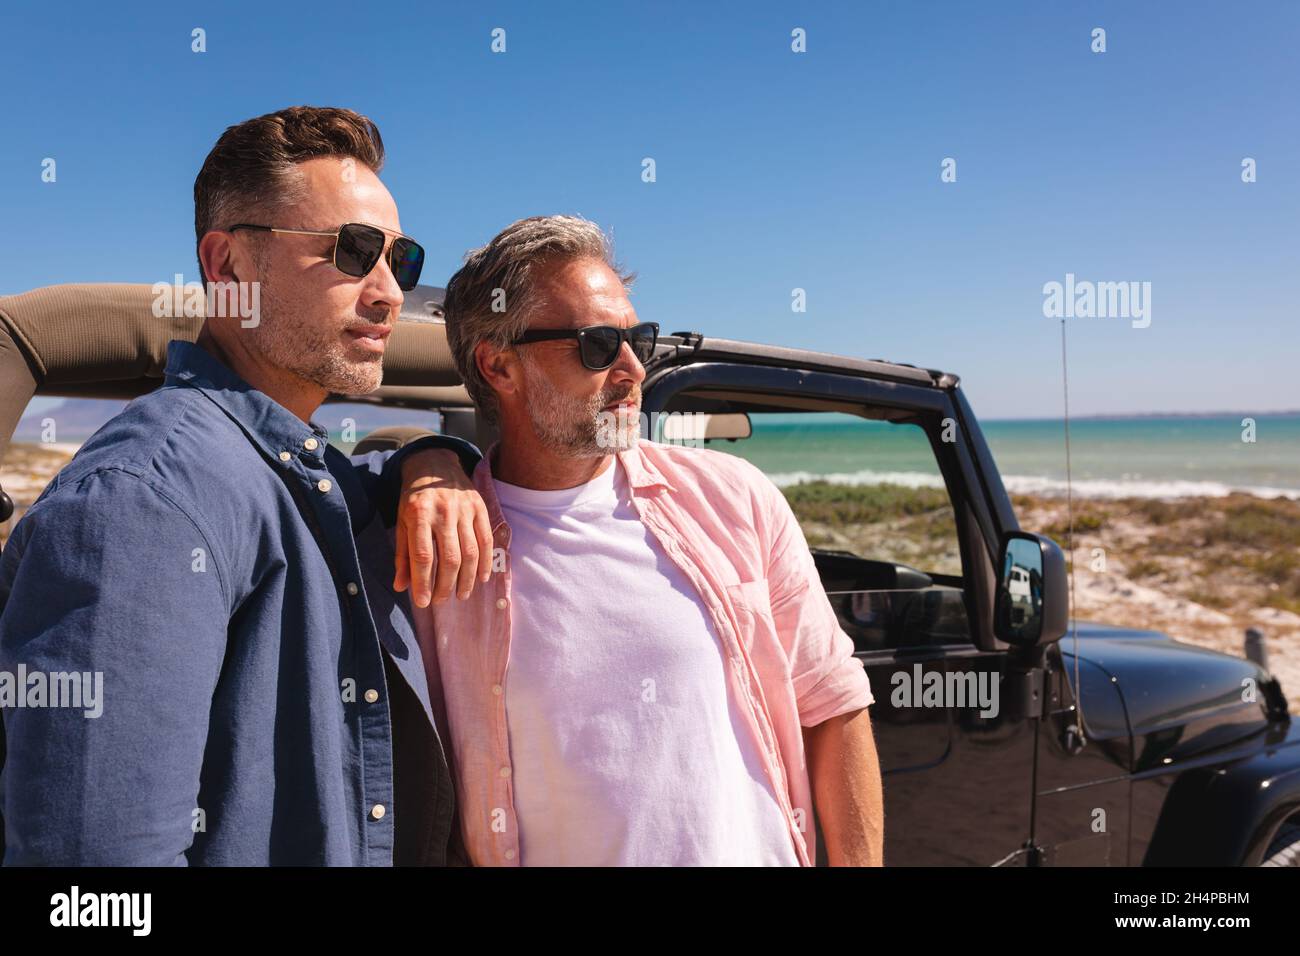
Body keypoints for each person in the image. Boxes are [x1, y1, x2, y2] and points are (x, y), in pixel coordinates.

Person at [0, 106, 486, 865]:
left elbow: (355, 474)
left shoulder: (296, 470)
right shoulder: (145, 504)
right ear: (228, 267)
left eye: (404, 259)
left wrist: (429, 459)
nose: (391, 292)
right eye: (355, 252)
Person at [416, 214, 884, 866]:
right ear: (499, 365)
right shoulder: (439, 553)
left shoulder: (735, 500)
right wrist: (423, 461)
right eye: (598, 345)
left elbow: (833, 703)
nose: (634, 368)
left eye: (639, 338)